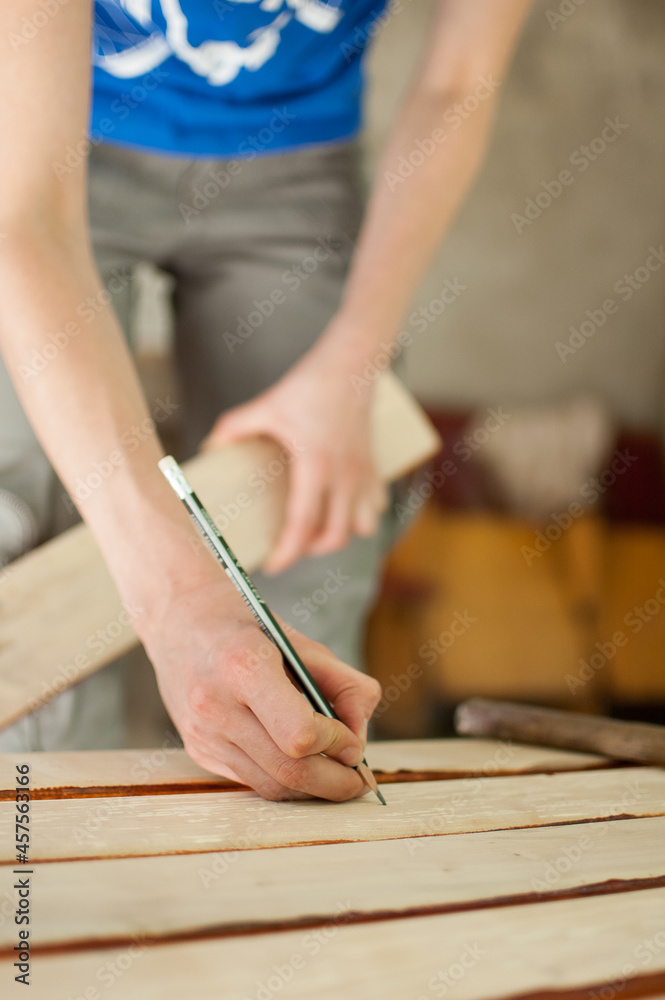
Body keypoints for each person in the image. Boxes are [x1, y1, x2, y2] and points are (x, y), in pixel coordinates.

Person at [0, 0, 533, 799]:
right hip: (56, 133)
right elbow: (25, 216)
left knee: (318, 512)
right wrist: (175, 599)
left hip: (299, 155)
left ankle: (305, 868)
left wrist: (355, 359)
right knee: (35, 554)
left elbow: (457, 81)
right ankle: (48, 871)